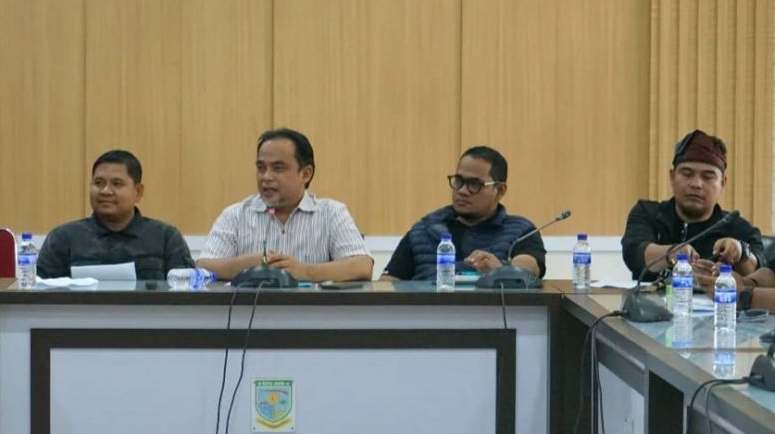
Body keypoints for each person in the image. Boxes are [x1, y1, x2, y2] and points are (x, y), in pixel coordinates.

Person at [197, 128, 373, 282]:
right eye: (261, 168)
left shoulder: (331, 213)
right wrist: (246, 266)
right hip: (250, 310)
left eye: (278, 168)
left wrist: (304, 271)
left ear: (305, 174)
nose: (266, 177)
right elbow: (203, 266)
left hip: (311, 309)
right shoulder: (236, 215)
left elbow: (362, 266)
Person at [380, 146, 545, 281]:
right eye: (459, 181)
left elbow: (528, 268)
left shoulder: (521, 231)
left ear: (500, 190)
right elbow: (388, 284)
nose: (462, 191)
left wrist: (501, 271)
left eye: (474, 184)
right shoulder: (423, 230)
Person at [621, 129, 764, 281]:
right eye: (687, 174)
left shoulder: (737, 227)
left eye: (707, 177)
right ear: (672, 177)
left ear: (722, 183)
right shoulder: (647, 213)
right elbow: (633, 254)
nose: (696, 184)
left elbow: (760, 272)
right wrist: (672, 253)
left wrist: (740, 253)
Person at [37, 150, 194, 280]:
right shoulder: (63, 238)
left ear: (138, 192)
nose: (105, 191)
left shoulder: (165, 237)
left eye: (117, 184)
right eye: (98, 183)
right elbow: (41, 295)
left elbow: (188, 292)